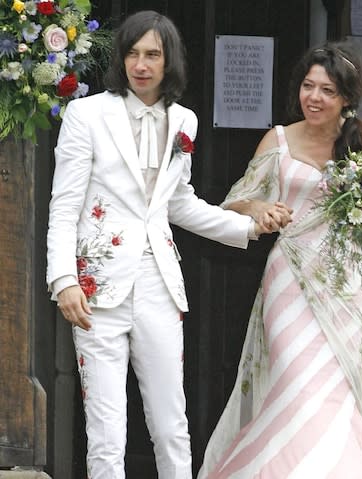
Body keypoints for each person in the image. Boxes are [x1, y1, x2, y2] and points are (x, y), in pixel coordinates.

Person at [46, 10, 291, 479]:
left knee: (171, 422)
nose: (141, 64)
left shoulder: (185, 121)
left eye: (152, 54)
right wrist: (63, 280)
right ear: (121, 58)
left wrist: (248, 228)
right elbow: (63, 206)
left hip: (159, 282)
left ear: (168, 60)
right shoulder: (86, 113)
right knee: (106, 428)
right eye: (133, 53)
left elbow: (178, 204)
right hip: (95, 288)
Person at [198, 43, 362, 478]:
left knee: (333, 388)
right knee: (296, 382)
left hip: (343, 283)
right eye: (308, 86)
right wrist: (259, 211)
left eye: (327, 90)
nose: (314, 97)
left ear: (347, 96)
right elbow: (234, 201)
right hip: (288, 281)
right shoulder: (278, 139)